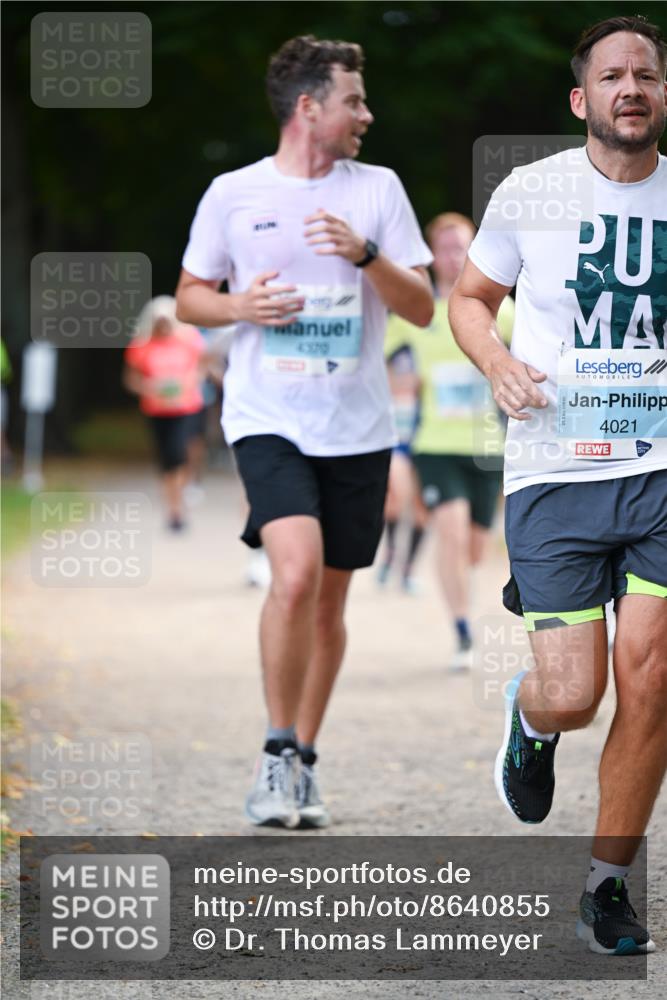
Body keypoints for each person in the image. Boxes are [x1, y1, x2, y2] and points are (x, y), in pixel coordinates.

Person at [175, 35, 433, 829]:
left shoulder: (377, 189)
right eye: (353, 100)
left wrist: (366, 255)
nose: (367, 113)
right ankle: (275, 750)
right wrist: (239, 308)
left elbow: (420, 306)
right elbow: (189, 297)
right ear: (308, 107)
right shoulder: (233, 192)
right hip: (268, 417)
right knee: (292, 576)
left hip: (355, 426)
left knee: (326, 605)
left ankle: (305, 765)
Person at [449, 15, 666, 955]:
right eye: (612, 76)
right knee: (575, 694)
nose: (631, 88)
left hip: (660, 467)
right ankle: (532, 720)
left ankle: (606, 887)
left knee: (652, 684)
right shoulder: (530, 193)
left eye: (647, 75)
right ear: (582, 100)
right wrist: (494, 362)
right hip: (554, 471)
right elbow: (466, 301)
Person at [386, 213, 514, 667]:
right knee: (452, 534)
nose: (452, 254)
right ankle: (462, 631)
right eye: (443, 247)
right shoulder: (417, 314)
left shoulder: (503, 309)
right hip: (434, 443)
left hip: (488, 448)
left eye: (461, 245)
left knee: (476, 547)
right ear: (432, 254)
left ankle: (460, 596)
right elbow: (380, 363)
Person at [123, 296, 207, 531]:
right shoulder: (141, 345)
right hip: (157, 409)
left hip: (185, 407)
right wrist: (149, 387)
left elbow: (202, 368)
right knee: (166, 460)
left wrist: (187, 382)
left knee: (181, 454)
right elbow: (131, 380)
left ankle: (179, 504)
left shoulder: (189, 340)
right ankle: (172, 507)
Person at [376, 335, 428, 595]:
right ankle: (389, 555)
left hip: (423, 444)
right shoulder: (383, 387)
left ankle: (407, 570)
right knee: (395, 502)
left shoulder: (425, 390)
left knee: (421, 511)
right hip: (396, 445)